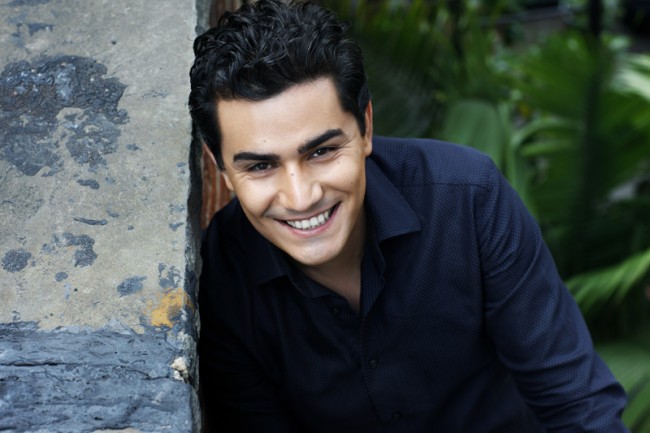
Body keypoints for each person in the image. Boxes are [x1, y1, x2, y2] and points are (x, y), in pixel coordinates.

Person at [188, 1, 629, 431]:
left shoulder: (468, 199)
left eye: (321, 152)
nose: (301, 198)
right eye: (260, 166)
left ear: (366, 127)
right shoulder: (223, 275)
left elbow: (577, 403)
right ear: (219, 167)